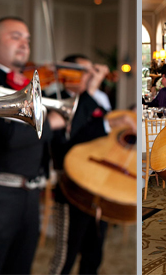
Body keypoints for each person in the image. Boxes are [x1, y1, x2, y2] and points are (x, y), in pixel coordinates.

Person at [0, 16, 64, 275]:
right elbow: (6, 139)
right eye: (15, 37)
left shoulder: (28, 84)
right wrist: (50, 124)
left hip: (31, 196)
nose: (24, 44)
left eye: (27, 39)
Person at [48, 54, 113, 275]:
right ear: (67, 75)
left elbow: (104, 137)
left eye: (92, 71)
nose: (90, 76)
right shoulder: (51, 101)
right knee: (65, 257)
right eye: (84, 71)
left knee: (93, 255)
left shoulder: (95, 100)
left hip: (98, 187)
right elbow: (66, 142)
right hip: (71, 188)